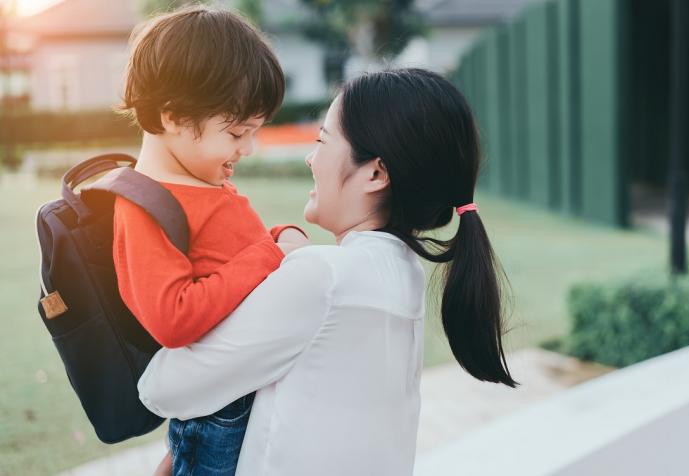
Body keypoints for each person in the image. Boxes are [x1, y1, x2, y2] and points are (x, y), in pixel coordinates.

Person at [138, 68, 517, 476]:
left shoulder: (322, 277)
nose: (310, 156)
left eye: (322, 140)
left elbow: (165, 388)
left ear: (375, 173)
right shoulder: (403, 274)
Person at [114, 5, 308, 475]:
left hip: (242, 388)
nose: (248, 148)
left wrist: (280, 236)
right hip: (222, 414)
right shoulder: (145, 206)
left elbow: (235, 254)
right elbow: (174, 319)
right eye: (238, 132)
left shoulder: (201, 181)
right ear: (175, 116)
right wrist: (269, 253)